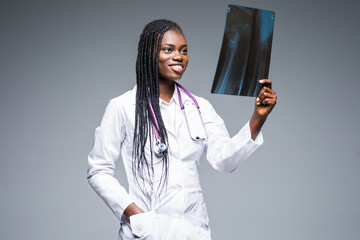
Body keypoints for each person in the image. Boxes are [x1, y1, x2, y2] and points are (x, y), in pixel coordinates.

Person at [87, 19, 277, 240]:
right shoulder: (122, 107)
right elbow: (98, 171)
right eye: (168, 50)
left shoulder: (199, 107)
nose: (179, 57)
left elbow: (225, 161)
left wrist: (258, 118)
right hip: (148, 232)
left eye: (184, 50)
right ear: (149, 54)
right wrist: (134, 213)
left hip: (193, 231)